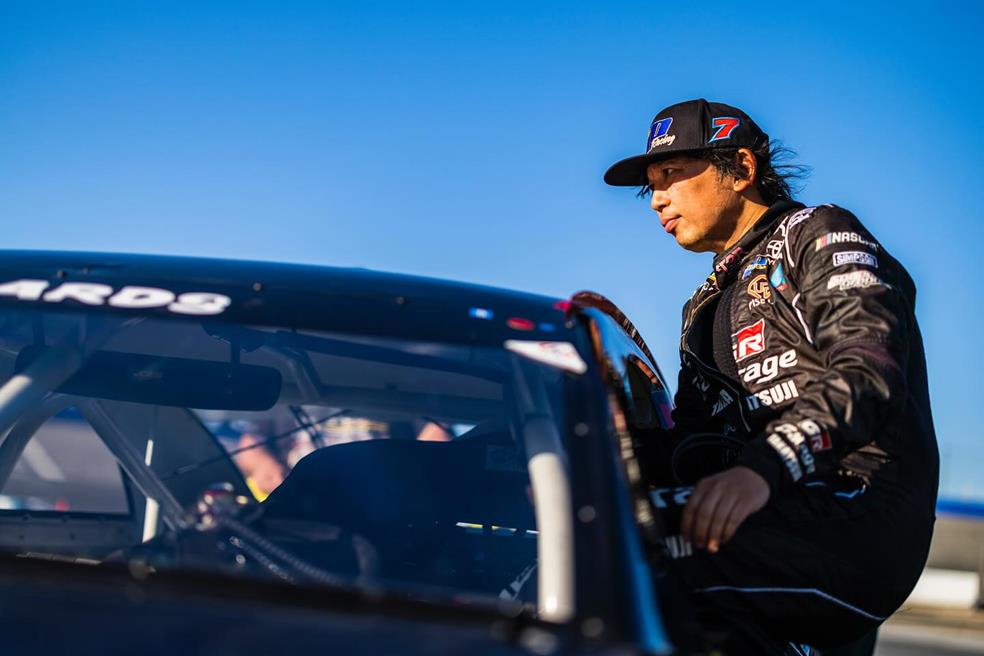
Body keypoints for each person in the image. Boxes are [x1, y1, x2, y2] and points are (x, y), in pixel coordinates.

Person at [604, 99, 938, 651]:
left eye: (671, 175)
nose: (657, 198)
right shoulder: (702, 308)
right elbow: (684, 446)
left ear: (741, 168)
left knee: (612, 553)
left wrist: (762, 467)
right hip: (762, 517)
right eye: (651, 186)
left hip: (855, 516)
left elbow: (869, 371)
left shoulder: (816, 232)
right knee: (586, 529)